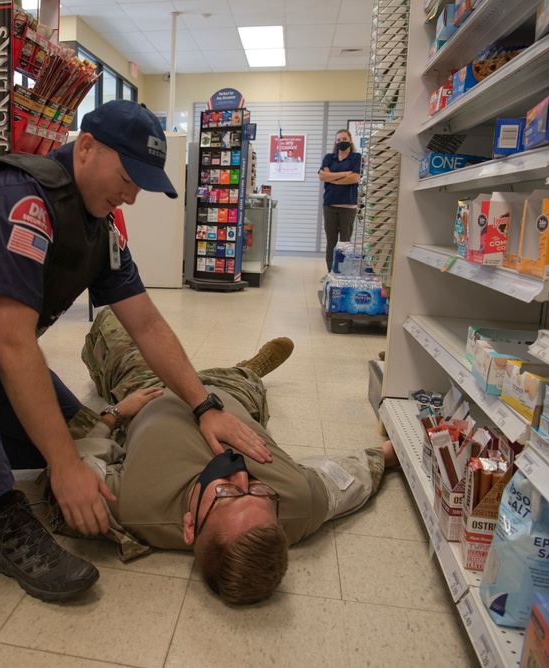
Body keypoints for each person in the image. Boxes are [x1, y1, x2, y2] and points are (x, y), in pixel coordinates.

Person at [0, 100, 278, 604]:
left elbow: (145, 322)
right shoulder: (19, 194)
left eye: (140, 185)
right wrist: (63, 467)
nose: (132, 196)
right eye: (127, 177)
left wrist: (204, 405)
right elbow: (12, 339)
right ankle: (1, 516)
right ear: (85, 148)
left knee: (72, 441)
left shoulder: (98, 230)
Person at [43, 306, 396, 606]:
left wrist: (115, 414)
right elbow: (347, 477)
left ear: (189, 527)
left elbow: (78, 462)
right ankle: (249, 369)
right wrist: (395, 454)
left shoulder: (133, 507)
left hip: (151, 389)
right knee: (249, 383)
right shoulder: (299, 505)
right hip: (234, 395)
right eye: (258, 493)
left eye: (227, 495)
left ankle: (110, 373)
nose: (242, 476)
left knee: (111, 318)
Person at [317, 129, 361, 272]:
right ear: (335, 142)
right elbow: (322, 176)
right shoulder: (329, 157)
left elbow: (355, 178)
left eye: (344, 139)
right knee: (331, 242)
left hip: (348, 206)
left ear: (350, 140)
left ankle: (342, 273)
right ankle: (330, 272)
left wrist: (333, 178)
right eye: (338, 140)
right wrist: (344, 174)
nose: (341, 142)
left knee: (345, 242)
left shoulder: (356, 157)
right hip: (330, 205)